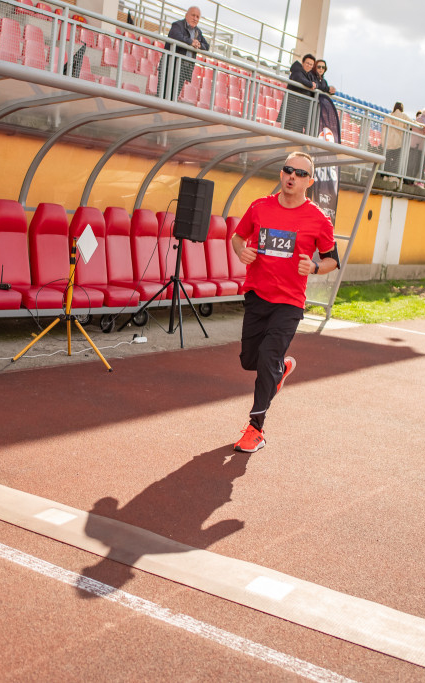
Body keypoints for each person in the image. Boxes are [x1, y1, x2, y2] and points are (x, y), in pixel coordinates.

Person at [229, 152, 339, 453]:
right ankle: (279, 371)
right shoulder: (259, 207)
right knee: (249, 360)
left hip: (289, 302)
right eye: (288, 170)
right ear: (281, 174)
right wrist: (242, 251)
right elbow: (238, 238)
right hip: (257, 294)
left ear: (310, 182)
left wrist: (315, 267)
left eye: (300, 174)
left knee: (266, 356)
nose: (292, 176)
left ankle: (256, 429)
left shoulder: (317, 218)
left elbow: (332, 261)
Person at [163, 6, 208, 101]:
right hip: (171, 65)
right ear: (186, 15)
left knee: (174, 97)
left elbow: (207, 46)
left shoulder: (198, 31)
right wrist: (190, 42)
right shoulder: (177, 25)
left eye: (197, 17)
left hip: (184, 67)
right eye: (193, 15)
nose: (195, 19)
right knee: (164, 94)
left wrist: (198, 45)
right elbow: (175, 36)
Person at [384, 102, 425, 181]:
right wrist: (422, 125)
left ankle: (385, 175)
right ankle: (393, 176)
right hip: (398, 142)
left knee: (387, 158)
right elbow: (413, 123)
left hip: (388, 141)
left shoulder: (388, 116)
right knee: (397, 159)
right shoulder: (403, 116)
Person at [281, 54, 318, 133]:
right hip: (293, 107)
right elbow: (300, 79)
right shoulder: (297, 71)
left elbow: (317, 84)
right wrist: (311, 85)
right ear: (303, 63)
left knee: (298, 132)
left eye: (311, 64)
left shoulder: (309, 75)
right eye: (307, 63)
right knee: (287, 131)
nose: (309, 66)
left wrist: (315, 85)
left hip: (301, 110)